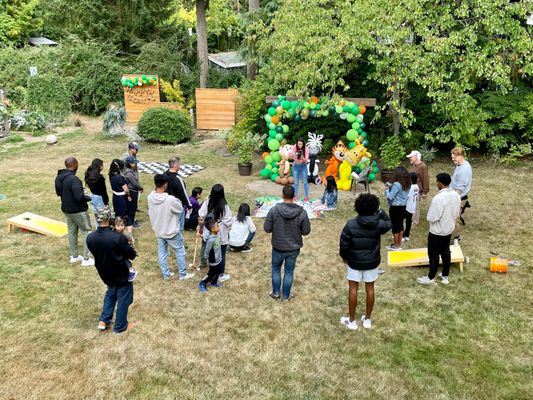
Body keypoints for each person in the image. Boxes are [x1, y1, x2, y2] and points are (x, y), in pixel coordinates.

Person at [339, 193, 392, 330]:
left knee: (353, 289)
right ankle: (367, 320)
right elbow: (389, 222)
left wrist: (345, 257)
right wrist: (380, 211)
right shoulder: (379, 224)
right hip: (372, 262)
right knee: (370, 288)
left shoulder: (350, 225)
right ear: (375, 208)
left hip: (354, 262)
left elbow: (344, 244)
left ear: (357, 207)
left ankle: (352, 321)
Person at [86, 208, 137, 335]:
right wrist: (130, 246)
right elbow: (131, 255)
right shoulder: (117, 238)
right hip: (120, 273)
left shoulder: (90, 238)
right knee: (124, 298)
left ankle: (104, 320)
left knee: (110, 294)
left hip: (104, 273)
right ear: (109, 219)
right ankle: (120, 326)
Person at [264, 185, 311, 301]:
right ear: (294, 197)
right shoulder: (302, 213)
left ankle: (276, 293)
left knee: (276, 269)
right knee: (289, 272)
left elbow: (267, 228)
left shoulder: (274, 210)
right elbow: (306, 231)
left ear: (282, 195)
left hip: (278, 247)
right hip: (292, 249)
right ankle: (285, 296)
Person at [147, 174, 195, 281]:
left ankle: (166, 274)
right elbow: (179, 209)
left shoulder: (150, 197)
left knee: (162, 252)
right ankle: (183, 274)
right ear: (165, 184)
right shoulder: (169, 199)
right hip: (170, 230)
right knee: (180, 250)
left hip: (158, 230)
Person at [417, 173, 461, 285]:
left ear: (440, 184)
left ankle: (431, 277)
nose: (436, 183)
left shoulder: (439, 198)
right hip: (449, 229)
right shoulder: (456, 195)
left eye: (436, 181)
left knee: (433, 254)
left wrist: (429, 218)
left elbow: (433, 217)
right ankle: (445, 275)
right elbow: (457, 212)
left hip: (437, 231)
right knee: (446, 252)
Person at [55, 156, 94, 266]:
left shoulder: (59, 177)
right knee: (86, 231)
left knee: (72, 232)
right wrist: (88, 197)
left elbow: (59, 193)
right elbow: (79, 197)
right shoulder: (74, 179)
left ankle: (74, 256)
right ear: (75, 165)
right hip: (78, 210)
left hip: (67, 209)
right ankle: (87, 258)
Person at [198, 184, 233, 281]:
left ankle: (212, 271)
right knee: (221, 253)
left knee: (211, 253)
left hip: (209, 231)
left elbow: (201, 213)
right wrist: (220, 223)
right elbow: (228, 220)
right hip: (220, 233)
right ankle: (220, 274)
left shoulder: (207, 201)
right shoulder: (224, 206)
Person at [385, 166, 410, 251]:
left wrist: (387, 189)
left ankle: (395, 246)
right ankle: (398, 244)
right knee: (400, 225)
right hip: (404, 206)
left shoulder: (397, 184)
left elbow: (390, 196)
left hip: (395, 207)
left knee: (395, 226)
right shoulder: (407, 183)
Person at [165, 157, 191, 233]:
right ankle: (179, 244)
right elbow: (183, 193)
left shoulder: (164, 175)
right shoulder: (177, 178)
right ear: (176, 165)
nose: (180, 165)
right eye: (179, 164)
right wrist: (189, 205)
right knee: (179, 226)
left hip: (166, 204)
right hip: (177, 205)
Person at [198, 218, 223, 293]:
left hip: (219, 259)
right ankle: (202, 283)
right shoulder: (210, 240)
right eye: (217, 226)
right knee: (211, 273)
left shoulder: (217, 235)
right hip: (213, 260)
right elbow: (207, 250)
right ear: (212, 229)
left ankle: (214, 282)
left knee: (218, 271)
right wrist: (206, 257)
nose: (219, 227)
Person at [450, 147, 472, 229]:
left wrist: (452, 199)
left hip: (459, 197)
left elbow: (460, 188)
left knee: (454, 219)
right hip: (455, 195)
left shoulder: (465, 169)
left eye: (454, 157)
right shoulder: (460, 164)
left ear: (461, 156)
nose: (453, 159)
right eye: (452, 157)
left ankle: (454, 238)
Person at [406, 150, 430, 224]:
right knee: (410, 204)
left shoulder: (423, 166)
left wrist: (425, 192)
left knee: (415, 206)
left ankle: (415, 221)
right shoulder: (414, 165)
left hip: (417, 190)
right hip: (411, 189)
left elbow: (425, 179)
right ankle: (410, 218)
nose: (409, 158)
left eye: (411, 157)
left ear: (416, 157)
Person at [84, 158, 109, 225]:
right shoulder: (99, 177)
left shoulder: (89, 175)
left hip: (93, 196)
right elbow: (104, 191)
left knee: (97, 216)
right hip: (100, 198)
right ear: (99, 166)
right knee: (103, 217)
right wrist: (106, 202)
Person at [113, 216, 137, 282]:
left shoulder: (125, 233)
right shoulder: (113, 232)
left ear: (124, 225)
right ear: (114, 226)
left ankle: (131, 270)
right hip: (118, 249)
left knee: (124, 259)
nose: (120, 227)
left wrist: (130, 243)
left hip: (125, 249)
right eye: (118, 225)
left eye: (122, 225)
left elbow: (131, 240)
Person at [109, 159, 131, 225]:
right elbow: (126, 189)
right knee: (123, 213)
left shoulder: (111, 175)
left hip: (115, 196)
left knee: (117, 212)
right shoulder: (119, 177)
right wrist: (129, 195)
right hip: (121, 198)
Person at [124, 156, 143, 231]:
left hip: (134, 191)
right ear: (130, 164)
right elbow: (135, 184)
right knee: (132, 208)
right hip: (132, 191)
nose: (135, 164)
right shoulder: (129, 173)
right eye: (134, 163)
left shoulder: (132, 171)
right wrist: (141, 188)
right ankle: (130, 223)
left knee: (133, 207)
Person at [292, 137, 310, 202]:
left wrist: (302, 158)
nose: (300, 146)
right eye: (298, 144)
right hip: (296, 166)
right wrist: (295, 156)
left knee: (305, 182)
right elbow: (292, 156)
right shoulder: (294, 147)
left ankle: (306, 197)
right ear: (297, 143)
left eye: (301, 144)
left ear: (303, 144)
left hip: (303, 166)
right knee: (296, 183)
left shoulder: (306, 149)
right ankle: (295, 196)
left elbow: (306, 161)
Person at [403, 172, 419, 242]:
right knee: (409, 221)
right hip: (412, 207)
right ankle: (407, 235)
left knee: (401, 220)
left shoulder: (410, 187)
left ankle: (402, 236)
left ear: (411, 180)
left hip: (407, 206)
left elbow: (406, 197)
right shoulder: (417, 187)